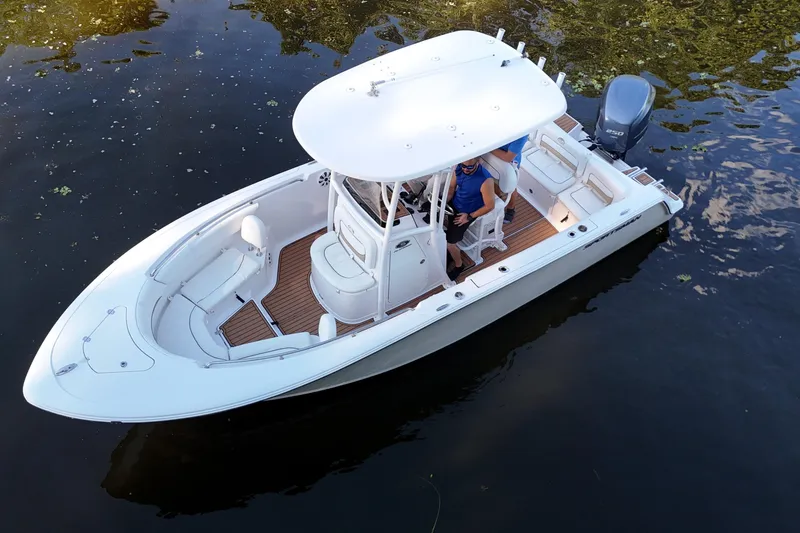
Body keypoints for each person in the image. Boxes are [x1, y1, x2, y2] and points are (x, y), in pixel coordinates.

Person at [444, 158, 495, 280]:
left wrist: (469, 216)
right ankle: (450, 252)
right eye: (463, 166)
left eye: (470, 167)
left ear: (478, 162)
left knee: (450, 244)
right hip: (454, 203)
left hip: (467, 213)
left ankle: (459, 265)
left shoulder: (485, 180)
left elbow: (490, 206)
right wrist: (442, 204)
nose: (465, 169)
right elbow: (451, 188)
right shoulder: (459, 169)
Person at [489, 134, 528, 223]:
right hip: (493, 156)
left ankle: (511, 208)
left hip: (509, 164)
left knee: (511, 187)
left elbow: (508, 157)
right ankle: (497, 200)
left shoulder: (522, 135)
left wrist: (489, 149)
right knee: (494, 181)